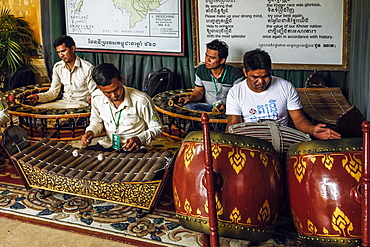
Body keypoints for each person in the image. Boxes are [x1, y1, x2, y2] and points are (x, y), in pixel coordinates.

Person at [226, 48, 341, 140]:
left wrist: (312, 130)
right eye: (255, 77)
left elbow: (299, 120)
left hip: (281, 140)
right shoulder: (235, 92)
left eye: (265, 76)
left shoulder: (285, 87)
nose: (260, 81)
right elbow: (234, 124)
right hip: (252, 143)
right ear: (245, 72)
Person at [81, 63, 163, 153]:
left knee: (132, 166)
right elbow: (96, 121)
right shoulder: (96, 97)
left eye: (116, 89)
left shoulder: (141, 100)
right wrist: (90, 132)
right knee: (83, 155)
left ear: (122, 80)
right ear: (99, 88)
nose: (113, 95)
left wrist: (139, 139)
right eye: (107, 93)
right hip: (108, 145)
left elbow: (157, 127)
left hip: (134, 149)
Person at [27, 35, 96, 106]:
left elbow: (94, 92)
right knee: (39, 108)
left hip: (81, 105)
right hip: (63, 102)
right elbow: (53, 92)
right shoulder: (58, 67)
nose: (61, 55)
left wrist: (92, 98)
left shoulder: (87, 68)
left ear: (72, 49)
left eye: (63, 51)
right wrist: (38, 97)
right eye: (58, 52)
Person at [178, 39, 244, 113]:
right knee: (188, 107)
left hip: (228, 108)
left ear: (222, 60)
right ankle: (209, 119)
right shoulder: (201, 70)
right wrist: (190, 99)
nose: (207, 60)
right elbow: (198, 92)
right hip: (208, 107)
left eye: (212, 58)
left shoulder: (235, 74)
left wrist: (226, 107)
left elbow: (239, 99)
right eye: (206, 56)